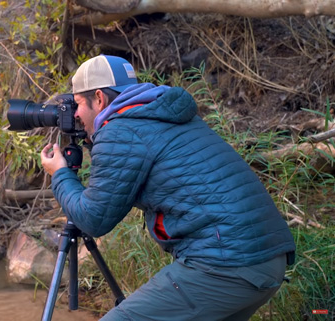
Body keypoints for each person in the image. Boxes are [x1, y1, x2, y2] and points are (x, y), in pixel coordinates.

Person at [40, 55, 296, 321]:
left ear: (99, 98)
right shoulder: (160, 115)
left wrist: (60, 174)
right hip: (266, 260)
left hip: (225, 265)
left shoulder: (122, 129)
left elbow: (94, 218)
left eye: (78, 104)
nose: (76, 115)